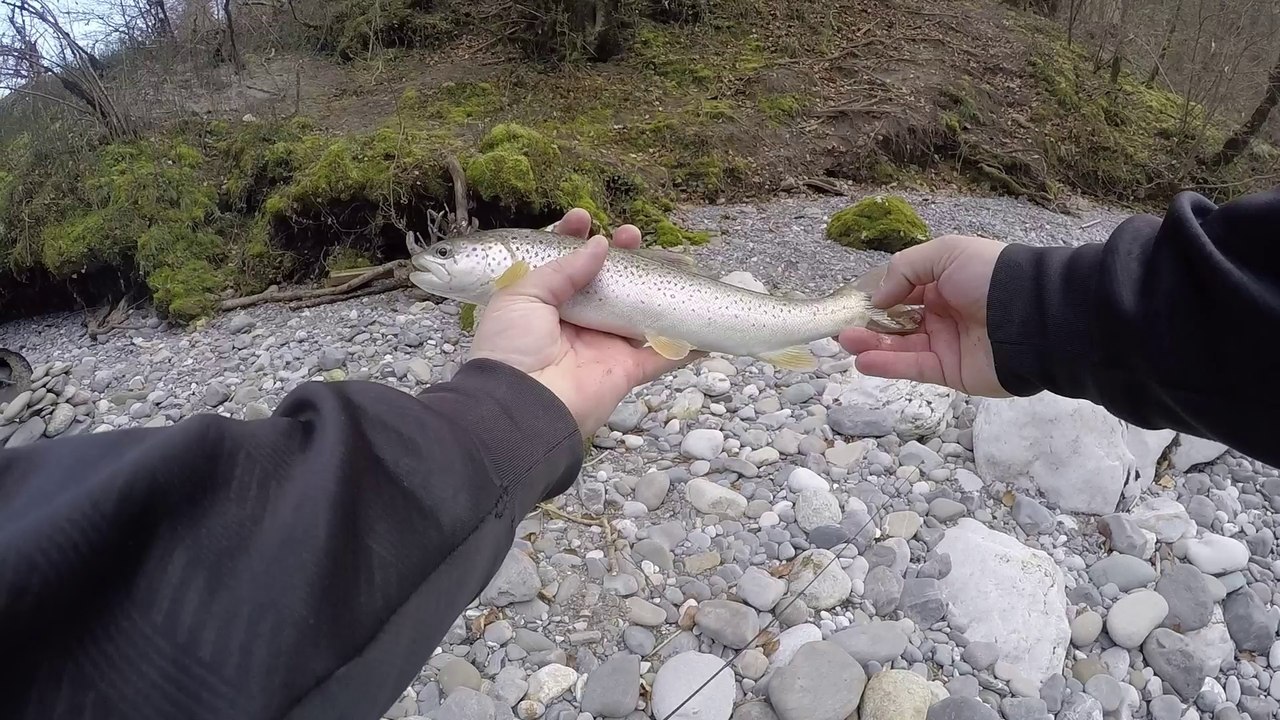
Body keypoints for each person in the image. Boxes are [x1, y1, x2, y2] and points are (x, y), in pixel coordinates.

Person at [0, 185, 1275, 719]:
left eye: (450, 261)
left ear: (502, 266)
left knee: (798, 324)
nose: (435, 270)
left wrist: (495, 404)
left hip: (714, 334)